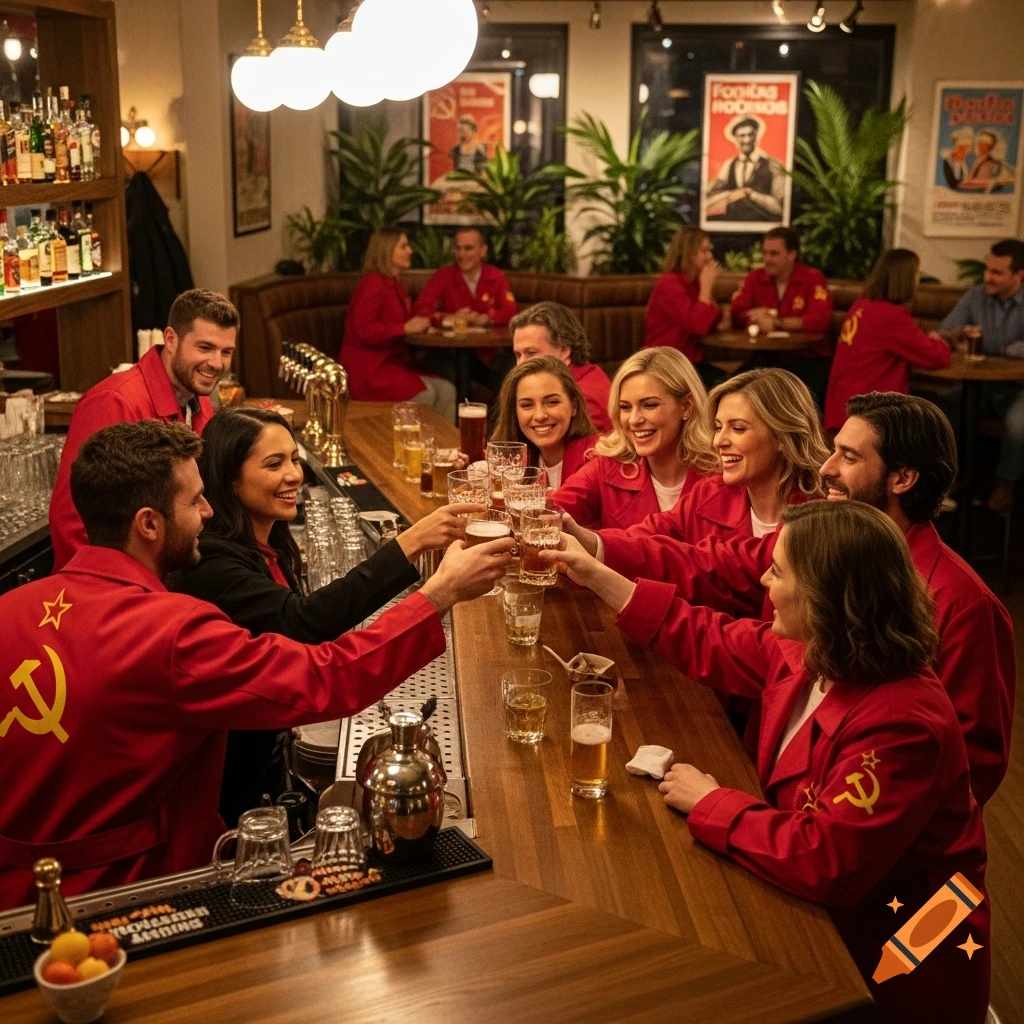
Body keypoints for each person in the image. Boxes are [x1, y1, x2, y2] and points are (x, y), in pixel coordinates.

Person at [0, 421, 511, 909]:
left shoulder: (10, 609)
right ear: (149, 524)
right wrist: (439, 593)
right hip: (127, 898)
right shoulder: (171, 632)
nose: (207, 511)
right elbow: (327, 677)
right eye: (194, 500)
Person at [551, 501, 989, 1024]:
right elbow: (705, 633)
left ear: (827, 595)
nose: (762, 579)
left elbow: (828, 860)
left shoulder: (903, 723)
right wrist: (597, 573)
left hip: (902, 957)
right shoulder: (819, 649)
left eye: (778, 571)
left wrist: (713, 803)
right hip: (836, 918)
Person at [569, 392, 1014, 809]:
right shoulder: (817, 543)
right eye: (833, 449)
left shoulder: (965, 603)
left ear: (902, 479)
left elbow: (972, 768)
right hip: (782, 804)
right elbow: (708, 566)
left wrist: (845, 823)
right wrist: (594, 548)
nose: (826, 468)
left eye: (850, 456)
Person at [168, 408, 482, 824]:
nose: (295, 475)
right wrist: (417, 552)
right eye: (274, 464)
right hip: (223, 798)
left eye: (295, 459)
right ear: (229, 478)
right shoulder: (211, 563)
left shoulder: (267, 542)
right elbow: (303, 623)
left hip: (263, 768)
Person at [48, 288, 239, 572]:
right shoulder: (115, 401)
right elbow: (72, 520)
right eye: (205, 348)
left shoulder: (197, 398)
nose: (217, 363)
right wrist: (129, 595)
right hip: (109, 594)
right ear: (171, 339)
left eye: (226, 352)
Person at [567, 368, 828, 556]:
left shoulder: (825, 516)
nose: (719, 442)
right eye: (717, 427)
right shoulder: (710, 493)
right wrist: (587, 540)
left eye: (737, 429)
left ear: (783, 436)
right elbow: (647, 539)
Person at [549, 347, 720, 530]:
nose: (634, 420)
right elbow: (551, 511)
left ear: (686, 406)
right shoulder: (606, 467)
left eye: (649, 405)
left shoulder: (722, 473)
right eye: (625, 407)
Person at [824, 249, 951, 432]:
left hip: (842, 406)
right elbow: (938, 358)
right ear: (906, 279)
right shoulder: (890, 316)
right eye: (916, 274)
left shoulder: (862, 304)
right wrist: (939, 341)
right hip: (870, 414)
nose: (917, 281)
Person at [940, 238, 1024, 512]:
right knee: (946, 406)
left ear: (1019, 275)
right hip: (983, 385)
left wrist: (1004, 348)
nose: (988, 277)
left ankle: (1005, 484)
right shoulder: (976, 295)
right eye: (988, 270)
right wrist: (957, 336)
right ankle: (950, 478)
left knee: (1018, 424)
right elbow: (946, 329)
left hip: (1018, 388)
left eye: (997, 273)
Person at [339, 228, 457, 421]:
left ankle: (444, 448)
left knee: (446, 390)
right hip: (369, 370)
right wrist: (404, 328)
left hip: (391, 363)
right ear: (386, 250)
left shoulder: (394, 283)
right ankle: (411, 447)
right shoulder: (374, 283)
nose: (410, 251)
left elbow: (410, 318)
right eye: (403, 246)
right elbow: (363, 330)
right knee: (426, 394)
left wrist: (433, 321)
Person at [730, 226, 834, 405]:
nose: (767, 259)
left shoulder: (812, 277)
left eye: (774, 254)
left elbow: (821, 320)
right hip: (766, 358)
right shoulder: (755, 278)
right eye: (765, 253)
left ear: (792, 254)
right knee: (730, 389)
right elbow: (737, 312)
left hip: (807, 359)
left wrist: (777, 323)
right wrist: (754, 316)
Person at [411, 227, 517, 394]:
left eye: (468, 248)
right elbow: (420, 310)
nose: (461, 254)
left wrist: (487, 318)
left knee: (512, 378)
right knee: (460, 376)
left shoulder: (495, 276)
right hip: (448, 353)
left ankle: (497, 419)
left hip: (487, 354)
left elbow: (511, 311)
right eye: (458, 248)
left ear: (483, 250)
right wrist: (449, 318)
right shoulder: (444, 275)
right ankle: (463, 419)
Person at [490, 356, 598, 490]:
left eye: (552, 402)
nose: (540, 415)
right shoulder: (514, 463)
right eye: (527, 405)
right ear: (514, 413)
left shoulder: (594, 458)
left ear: (574, 406)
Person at [510, 301, 612, 432]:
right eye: (518, 355)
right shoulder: (582, 375)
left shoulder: (584, 398)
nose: (521, 364)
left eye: (531, 353)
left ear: (564, 350)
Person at [644, 227, 724, 389]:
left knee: (731, 382)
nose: (710, 257)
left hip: (687, 363)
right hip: (664, 365)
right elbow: (698, 326)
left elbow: (716, 320)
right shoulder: (669, 283)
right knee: (724, 385)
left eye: (710, 250)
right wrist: (707, 288)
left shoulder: (694, 283)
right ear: (688, 253)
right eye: (704, 251)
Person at [705, 117, 786, 223]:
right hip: (732, 228)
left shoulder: (773, 164)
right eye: (742, 136)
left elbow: (781, 208)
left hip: (763, 226)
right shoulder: (729, 165)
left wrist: (753, 195)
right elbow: (709, 194)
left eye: (750, 135)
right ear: (735, 138)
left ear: (756, 135)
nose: (747, 140)